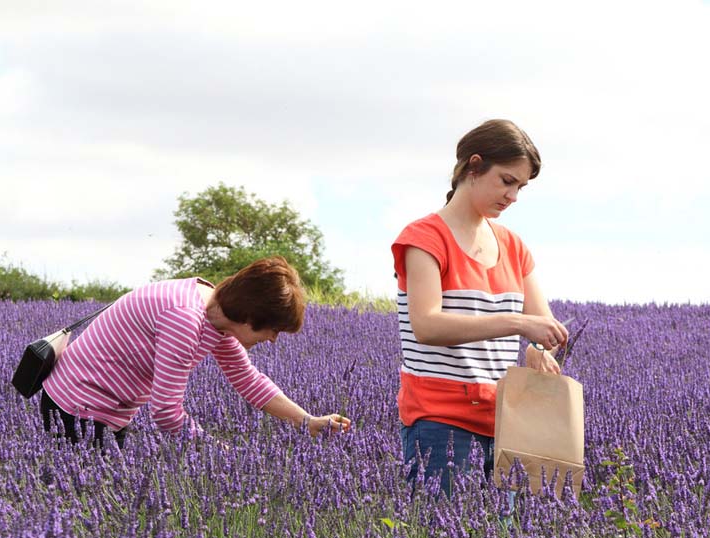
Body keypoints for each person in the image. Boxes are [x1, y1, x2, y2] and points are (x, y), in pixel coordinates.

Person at [391, 119, 569, 496]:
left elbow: (543, 326)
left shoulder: (513, 247)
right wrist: (517, 324)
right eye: (507, 181)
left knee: (499, 534)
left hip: (506, 422)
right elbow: (427, 325)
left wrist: (539, 349)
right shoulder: (424, 238)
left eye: (521, 187)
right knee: (442, 529)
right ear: (474, 166)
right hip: (440, 422)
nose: (513, 196)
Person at [40, 256, 351, 449]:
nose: (272, 340)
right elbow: (165, 412)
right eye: (272, 329)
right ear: (249, 316)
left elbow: (248, 380)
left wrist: (307, 421)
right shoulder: (185, 320)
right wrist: (219, 454)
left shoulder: (216, 313)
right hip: (77, 407)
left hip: (110, 411)